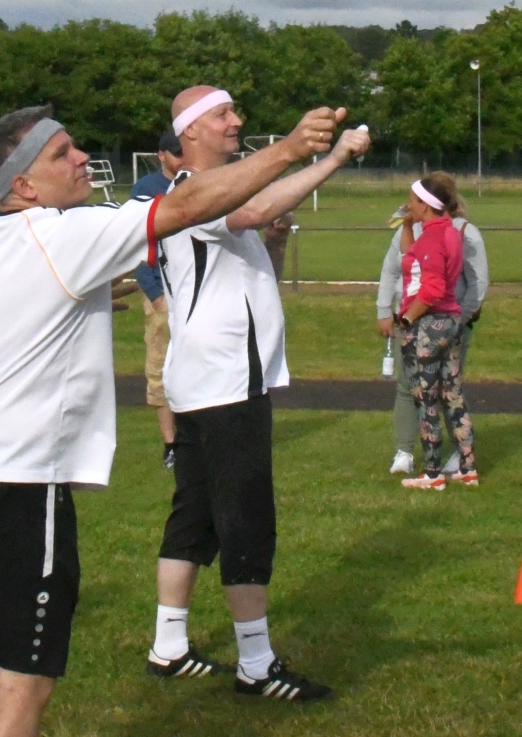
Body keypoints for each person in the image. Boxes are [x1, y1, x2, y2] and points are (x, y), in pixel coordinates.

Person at [0, 101, 344, 737]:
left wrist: (91, 296)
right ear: (24, 185)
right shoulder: (63, 233)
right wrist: (291, 149)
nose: (83, 158)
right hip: (16, 488)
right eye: (62, 153)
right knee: (26, 681)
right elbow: (185, 206)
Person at [146, 87, 369, 703]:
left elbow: (246, 245)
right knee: (246, 521)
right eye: (223, 114)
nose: (236, 121)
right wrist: (332, 157)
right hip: (225, 382)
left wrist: (273, 240)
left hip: (203, 378)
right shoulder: (201, 191)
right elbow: (251, 209)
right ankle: (256, 663)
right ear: (191, 131)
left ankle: (168, 647)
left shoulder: (210, 194)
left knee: (193, 515)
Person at [377, 172, 488, 476]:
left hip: (429, 324)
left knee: (427, 395)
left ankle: (432, 471)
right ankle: (465, 466)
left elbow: (433, 287)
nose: (406, 205)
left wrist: (407, 317)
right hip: (445, 320)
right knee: (449, 392)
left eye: (412, 200)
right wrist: (407, 225)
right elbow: (404, 260)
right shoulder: (443, 231)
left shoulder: (439, 235)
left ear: (426, 204)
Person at [130, 130, 185, 468]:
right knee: (160, 367)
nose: (182, 158)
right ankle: (171, 443)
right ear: (161, 155)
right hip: (162, 292)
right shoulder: (147, 189)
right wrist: (155, 294)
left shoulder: (197, 182)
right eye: (176, 153)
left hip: (195, 290)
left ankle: (195, 436)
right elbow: (138, 243)